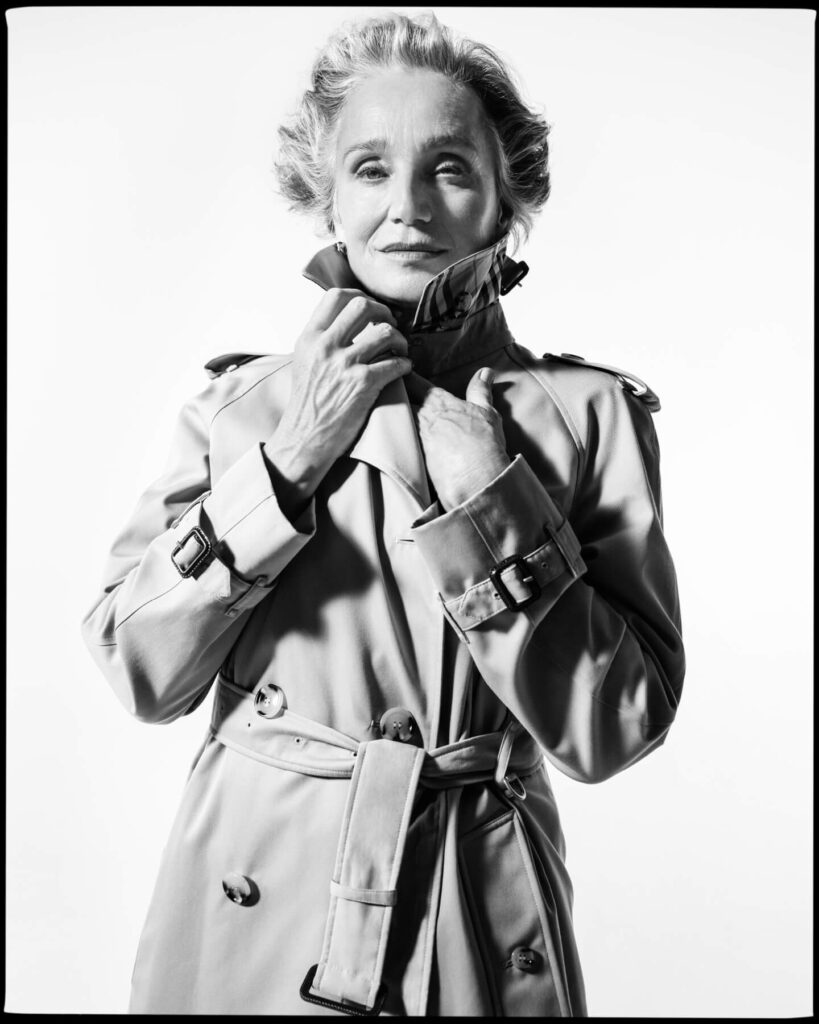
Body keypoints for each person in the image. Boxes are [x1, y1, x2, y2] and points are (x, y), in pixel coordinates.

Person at [81, 11, 685, 1017]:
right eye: (369, 168)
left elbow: (615, 729)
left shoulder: (588, 418)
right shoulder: (239, 412)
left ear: (505, 203)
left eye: (449, 168)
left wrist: (496, 503)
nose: (407, 206)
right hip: (256, 891)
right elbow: (136, 667)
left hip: (477, 896)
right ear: (324, 195)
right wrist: (287, 462)